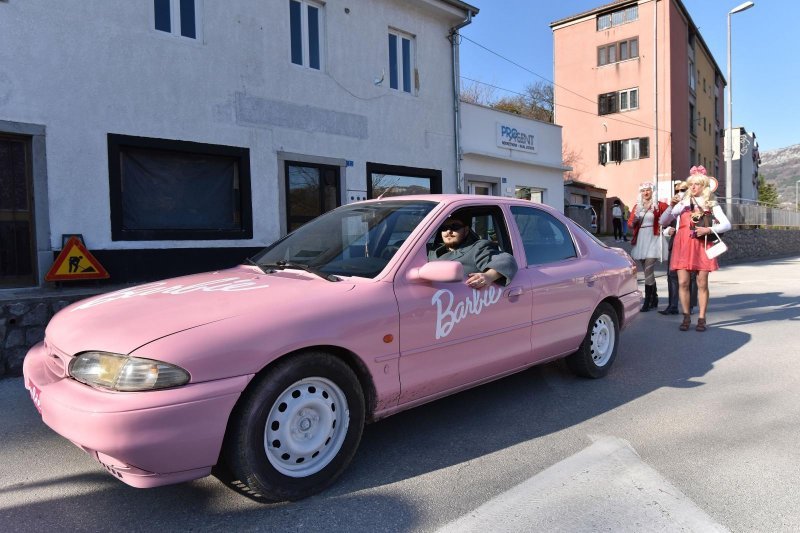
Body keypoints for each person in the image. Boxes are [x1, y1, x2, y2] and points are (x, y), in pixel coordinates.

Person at [660, 167, 731, 331]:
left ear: (704, 186)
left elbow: (727, 224)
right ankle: (686, 317)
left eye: (697, 184)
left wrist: (709, 229)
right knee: (683, 282)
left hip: (701, 245)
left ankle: (701, 318)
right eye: (691, 184)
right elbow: (664, 221)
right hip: (683, 244)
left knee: (702, 283)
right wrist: (671, 206)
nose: (693, 187)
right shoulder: (683, 203)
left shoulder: (710, 203)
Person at [428, 215, 518, 288]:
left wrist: (488, 276)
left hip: (460, 301)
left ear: (466, 230)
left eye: (455, 227)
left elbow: (507, 260)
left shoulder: (478, 248)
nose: (448, 231)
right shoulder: (430, 250)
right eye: (444, 228)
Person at [628, 182, 668, 312]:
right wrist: (633, 222)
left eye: (648, 190)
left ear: (652, 191)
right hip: (641, 239)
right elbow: (630, 223)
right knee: (646, 271)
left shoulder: (659, 205)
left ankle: (647, 301)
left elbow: (670, 215)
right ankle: (654, 298)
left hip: (654, 237)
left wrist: (668, 228)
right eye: (643, 191)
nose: (645, 193)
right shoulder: (637, 206)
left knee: (649, 269)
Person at [658, 181, 697, 315]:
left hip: (690, 243)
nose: (680, 192)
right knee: (672, 275)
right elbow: (662, 223)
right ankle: (672, 306)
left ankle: (690, 306)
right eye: (677, 190)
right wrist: (667, 230)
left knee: (691, 276)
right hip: (675, 244)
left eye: (683, 189)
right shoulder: (674, 207)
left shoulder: (694, 205)